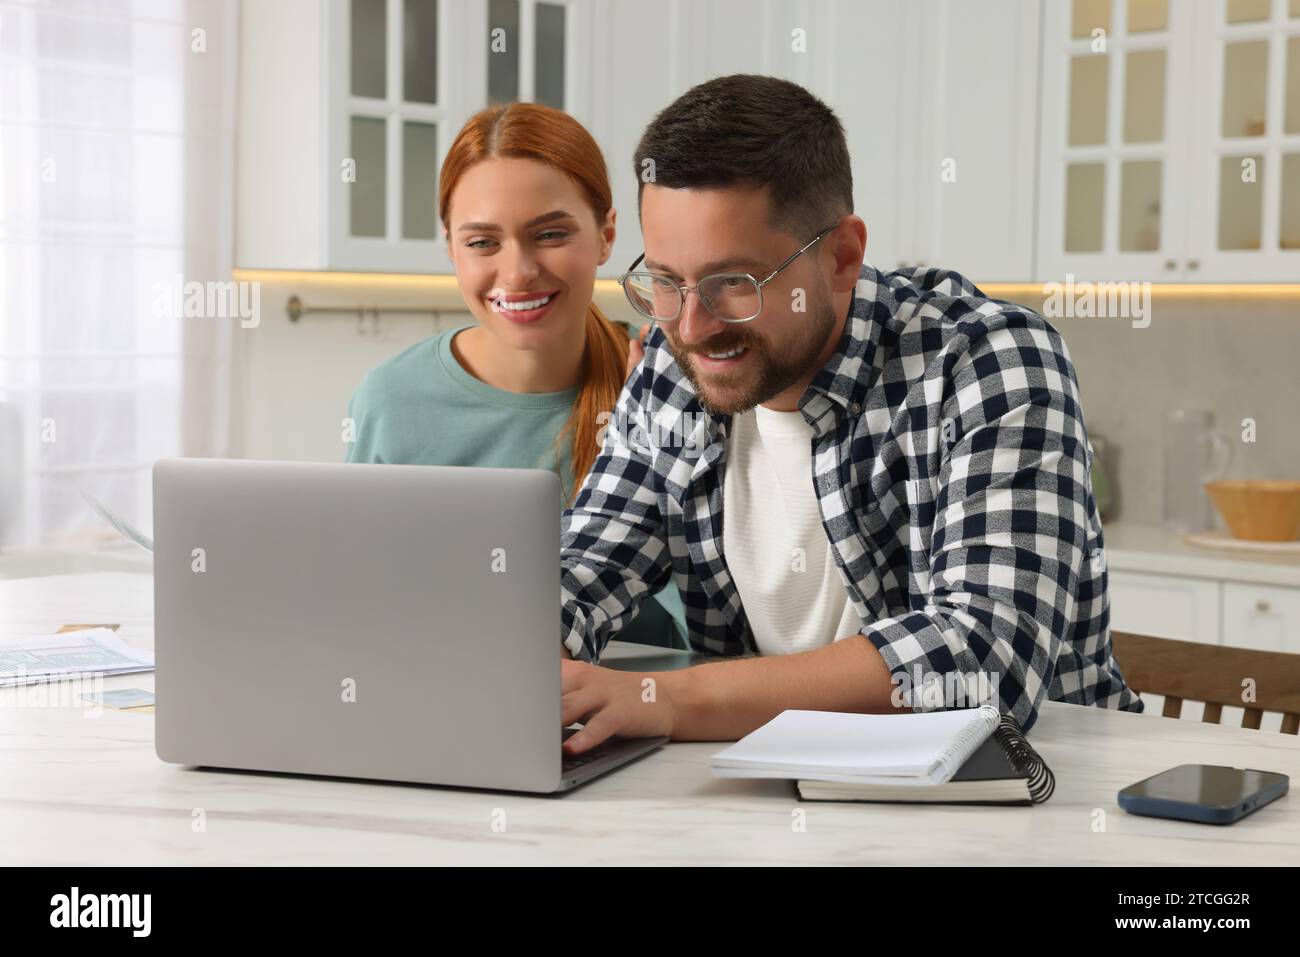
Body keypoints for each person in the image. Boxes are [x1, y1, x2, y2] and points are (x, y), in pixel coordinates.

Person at [558, 74, 1143, 755]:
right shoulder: (674, 362)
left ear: (842, 256)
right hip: (782, 799)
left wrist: (667, 699)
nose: (690, 325)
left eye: (734, 284)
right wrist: (516, 655)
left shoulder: (986, 359)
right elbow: (588, 562)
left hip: (1036, 799)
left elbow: (982, 662)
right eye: (665, 281)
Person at [346, 102, 685, 649]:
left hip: (654, 714)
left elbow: (702, 620)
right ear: (451, 248)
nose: (519, 272)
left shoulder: (661, 391)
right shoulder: (391, 402)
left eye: (550, 234)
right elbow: (360, 597)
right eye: (482, 242)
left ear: (606, 235)